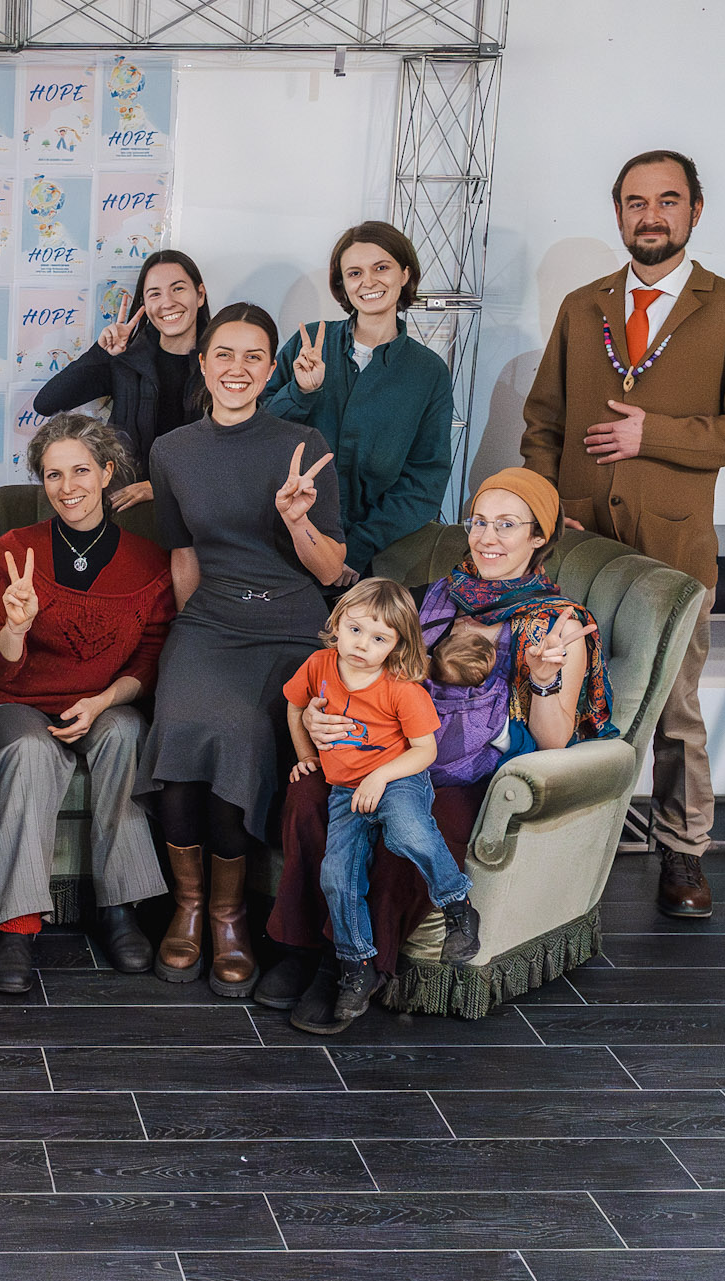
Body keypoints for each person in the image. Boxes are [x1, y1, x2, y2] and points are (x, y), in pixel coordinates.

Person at [521, 149, 725, 920]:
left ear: (694, 211)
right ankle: (559, 844)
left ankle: (682, 848)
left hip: (673, 551)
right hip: (579, 543)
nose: (651, 215)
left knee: (674, 705)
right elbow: (543, 421)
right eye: (636, 202)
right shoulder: (583, 307)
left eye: (668, 200)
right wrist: (547, 504)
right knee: (559, 687)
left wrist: (654, 434)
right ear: (618, 213)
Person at [262, 469, 614, 1033]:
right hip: (386, 746)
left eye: (507, 525)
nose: (487, 537)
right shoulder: (432, 597)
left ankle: (351, 966)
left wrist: (544, 676)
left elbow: (554, 741)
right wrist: (315, 715)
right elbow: (357, 669)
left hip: (471, 770)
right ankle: (300, 947)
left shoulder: (556, 624)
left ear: (538, 536)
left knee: (416, 825)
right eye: (479, 522)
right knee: (307, 793)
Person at [137, 303, 344, 999]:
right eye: (224, 354)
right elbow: (183, 555)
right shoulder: (172, 451)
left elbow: (329, 571)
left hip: (290, 622)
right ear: (202, 363)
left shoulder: (303, 442)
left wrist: (297, 521)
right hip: (211, 622)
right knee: (180, 721)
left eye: (255, 356)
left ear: (270, 368)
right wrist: (190, 636)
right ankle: (189, 906)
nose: (237, 368)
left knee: (243, 731)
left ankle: (228, 917)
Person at [0, 413, 177, 993]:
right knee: (32, 749)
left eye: (80, 471)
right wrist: (16, 626)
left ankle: (120, 910)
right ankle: (16, 927)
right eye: (54, 475)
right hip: (8, 702)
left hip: (102, 703)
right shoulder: (13, 550)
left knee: (126, 731)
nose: (67, 487)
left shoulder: (150, 562)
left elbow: (150, 662)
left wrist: (103, 700)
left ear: (107, 474)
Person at [285, 578, 482, 1022]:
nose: (362, 645)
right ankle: (356, 966)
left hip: (399, 778)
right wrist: (305, 755)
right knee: (337, 875)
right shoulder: (318, 665)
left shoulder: (402, 688)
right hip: (345, 791)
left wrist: (379, 776)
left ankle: (457, 905)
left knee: (408, 832)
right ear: (337, 623)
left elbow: (425, 751)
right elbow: (295, 706)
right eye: (355, 630)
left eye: (379, 639)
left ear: (397, 645)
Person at [262, 221, 454, 576]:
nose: (368, 282)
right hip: (285, 539)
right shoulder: (308, 344)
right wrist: (301, 392)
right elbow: (258, 436)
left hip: (375, 561)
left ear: (404, 274)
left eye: (381, 268)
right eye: (354, 273)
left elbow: (424, 481)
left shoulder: (428, 372)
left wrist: (355, 549)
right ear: (343, 284)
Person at [34, 249, 210, 509]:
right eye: (155, 294)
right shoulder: (126, 361)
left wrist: (158, 487)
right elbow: (46, 402)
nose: (167, 302)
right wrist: (102, 351)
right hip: (128, 508)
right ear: (144, 304)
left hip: (196, 506)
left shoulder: (221, 364)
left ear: (200, 295)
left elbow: (228, 451)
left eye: (178, 289)